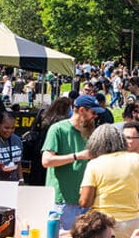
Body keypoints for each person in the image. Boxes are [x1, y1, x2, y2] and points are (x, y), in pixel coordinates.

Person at [79, 124, 139, 238]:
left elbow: (85, 202)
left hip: (103, 224)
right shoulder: (136, 159)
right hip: (131, 222)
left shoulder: (94, 165)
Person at [42, 94, 104, 230]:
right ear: (81, 110)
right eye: (93, 112)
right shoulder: (58, 129)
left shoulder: (91, 132)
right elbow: (46, 161)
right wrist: (78, 156)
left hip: (86, 199)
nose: (95, 116)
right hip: (63, 201)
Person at [26, 96, 72, 186]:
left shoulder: (43, 115)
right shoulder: (62, 123)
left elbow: (33, 130)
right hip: (53, 153)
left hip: (38, 152)